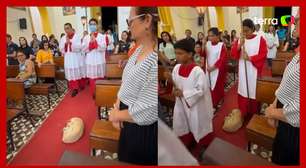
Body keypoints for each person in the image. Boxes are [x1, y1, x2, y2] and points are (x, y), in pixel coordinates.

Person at [108, 7, 158, 165]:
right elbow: (126, 81)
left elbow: (149, 108)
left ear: (148, 21)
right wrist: (116, 106)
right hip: (127, 119)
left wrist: (117, 115)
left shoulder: (155, 59)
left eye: (130, 21)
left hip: (141, 129)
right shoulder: (139, 50)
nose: (128, 26)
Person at [168, 38, 214, 161]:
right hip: (182, 104)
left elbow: (200, 90)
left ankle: (204, 145)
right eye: (176, 53)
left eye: (180, 53)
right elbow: (175, 84)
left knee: (198, 124)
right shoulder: (177, 68)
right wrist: (171, 82)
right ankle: (188, 140)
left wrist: (183, 93)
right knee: (183, 122)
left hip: (196, 106)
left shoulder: (197, 71)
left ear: (190, 54)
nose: (177, 56)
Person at [265, 12, 300, 166]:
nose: (296, 18)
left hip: (295, 128)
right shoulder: (300, 53)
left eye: (299, 16)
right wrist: (274, 103)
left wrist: (272, 112)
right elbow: (286, 82)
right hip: (284, 117)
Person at [231, 19, 268, 121]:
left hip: (254, 72)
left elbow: (263, 54)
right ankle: (244, 112)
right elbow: (233, 54)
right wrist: (239, 45)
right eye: (243, 31)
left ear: (252, 29)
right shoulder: (240, 39)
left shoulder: (260, 40)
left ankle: (253, 113)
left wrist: (250, 58)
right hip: (243, 71)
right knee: (243, 90)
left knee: (253, 91)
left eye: (246, 30)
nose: (245, 33)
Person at [82, 18, 107, 98]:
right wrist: (90, 43)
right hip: (90, 60)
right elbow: (83, 49)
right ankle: (94, 92)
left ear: (97, 25)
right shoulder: (86, 37)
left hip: (99, 59)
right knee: (92, 79)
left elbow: (103, 47)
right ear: (89, 26)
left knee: (100, 77)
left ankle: (101, 92)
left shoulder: (102, 36)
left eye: (94, 24)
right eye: (91, 24)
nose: (92, 26)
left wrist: (95, 42)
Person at [59, 23, 86, 97]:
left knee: (77, 72)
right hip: (68, 58)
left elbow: (80, 46)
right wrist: (65, 44)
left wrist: (70, 43)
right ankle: (74, 88)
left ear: (71, 28)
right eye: (65, 28)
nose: (66, 30)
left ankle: (81, 85)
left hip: (76, 57)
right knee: (71, 73)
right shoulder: (63, 38)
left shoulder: (77, 36)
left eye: (68, 28)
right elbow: (61, 48)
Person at [204, 27, 227, 108]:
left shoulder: (221, 46)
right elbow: (203, 55)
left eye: (212, 35)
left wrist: (213, 68)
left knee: (217, 86)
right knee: (209, 85)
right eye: (209, 36)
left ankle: (217, 101)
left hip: (217, 70)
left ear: (217, 36)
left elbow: (222, 59)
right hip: (208, 68)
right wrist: (203, 45)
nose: (210, 38)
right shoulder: (207, 44)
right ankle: (211, 101)